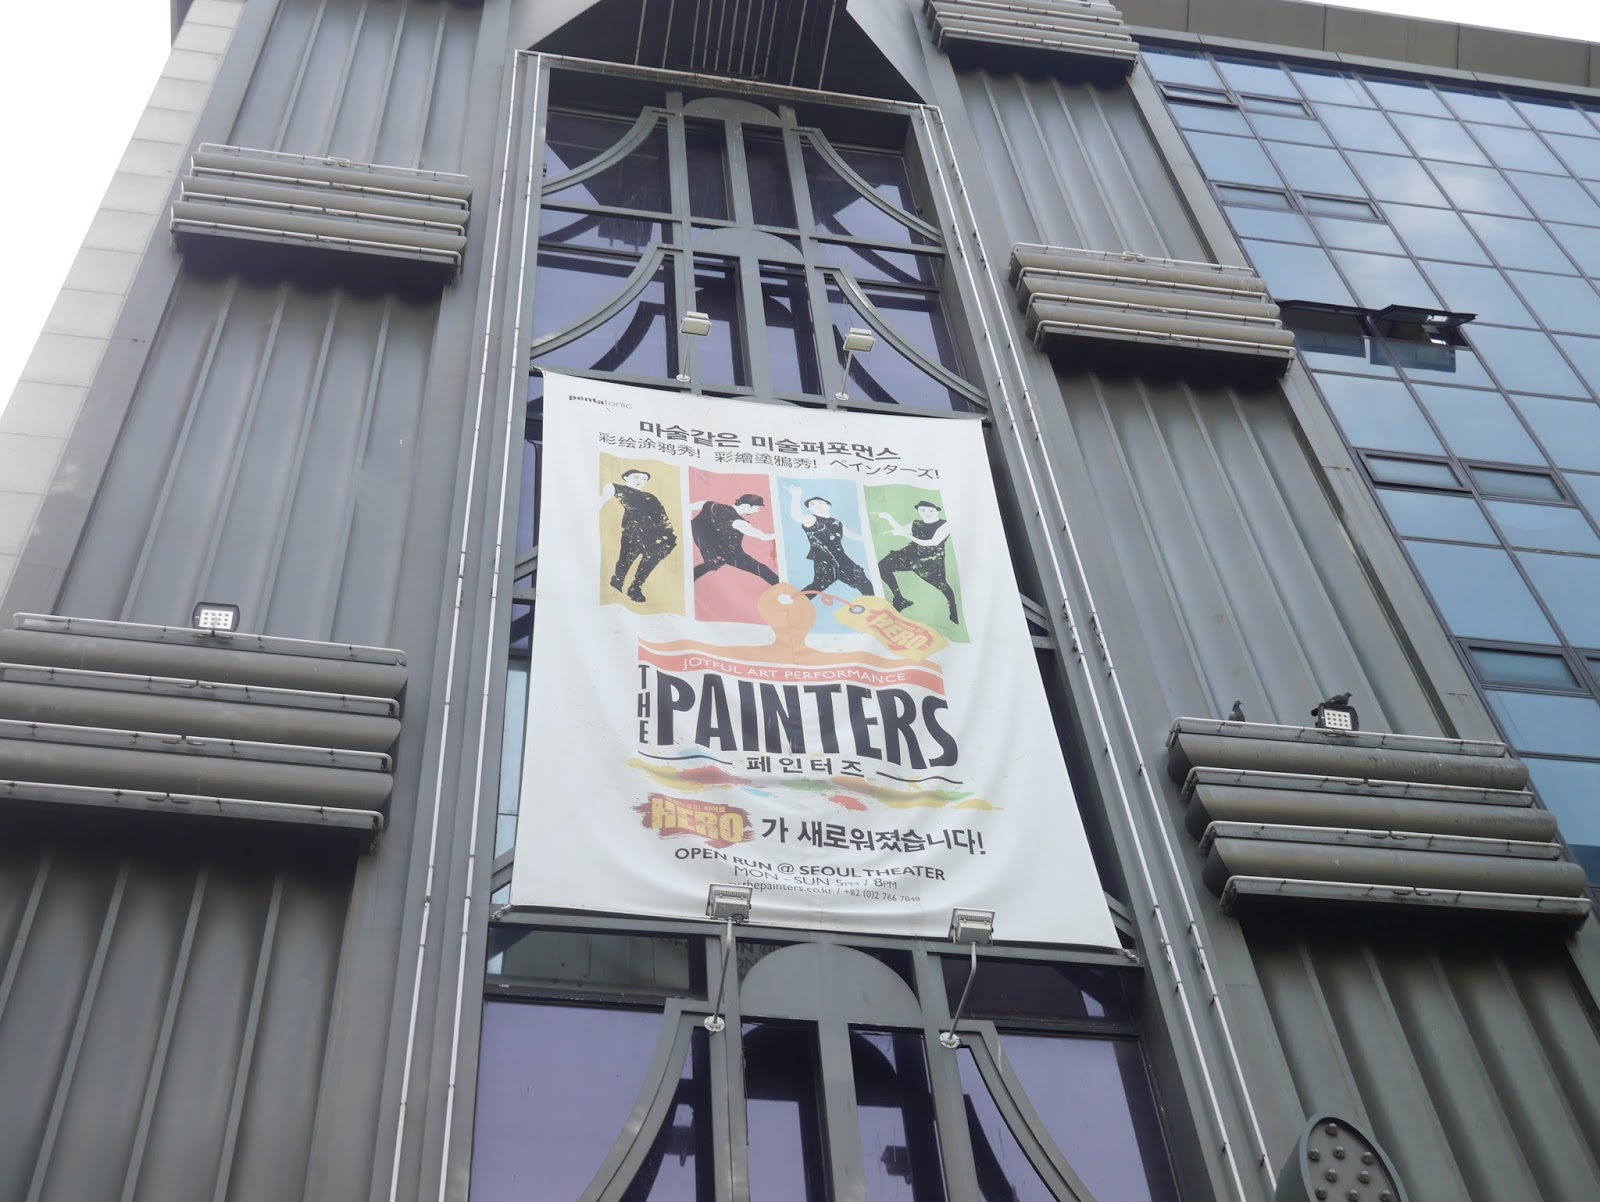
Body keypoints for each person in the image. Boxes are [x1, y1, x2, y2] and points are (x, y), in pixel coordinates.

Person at [599, 469, 676, 603]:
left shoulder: (650, 497)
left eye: (643, 479)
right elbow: (599, 503)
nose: (640, 481)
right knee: (625, 559)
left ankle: (635, 586)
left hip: (653, 534)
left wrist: (668, 534)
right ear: (626, 477)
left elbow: (662, 517)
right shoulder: (616, 488)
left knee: (652, 557)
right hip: (632, 532)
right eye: (636, 477)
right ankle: (618, 580)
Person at [875, 500, 957, 623]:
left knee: (942, 585)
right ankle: (899, 599)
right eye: (922, 510)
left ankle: (953, 608)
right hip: (911, 554)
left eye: (930, 510)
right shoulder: (916, 523)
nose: (926, 513)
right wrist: (888, 517)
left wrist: (906, 536)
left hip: (930, 560)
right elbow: (901, 529)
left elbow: (933, 542)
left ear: (937, 512)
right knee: (882, 567)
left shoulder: (945, 525)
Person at [787, 487, 874, 596]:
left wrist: (869, 537)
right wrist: (796, 496)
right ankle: (795, 602)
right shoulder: (811, 520)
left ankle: (874, 603)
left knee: (862, 581)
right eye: (812, 504)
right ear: (809, 509)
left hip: (842, 558)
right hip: (823, 560)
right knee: (818, 585)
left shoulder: (837, 522)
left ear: (828, 505)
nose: (816, 504)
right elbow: (797, 516)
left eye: (820, 502)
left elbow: (854, 536)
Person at [691, 492, 778, 583]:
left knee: (711, 564)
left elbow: (690, 507)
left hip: (710, 549)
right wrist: (778, 535)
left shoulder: (712, 505)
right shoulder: (738, 522)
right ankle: (780, 586)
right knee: (762, 569)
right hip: (729, 554)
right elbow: (763, 537)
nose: (757, 511)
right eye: (757, 508)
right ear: (747, 505)